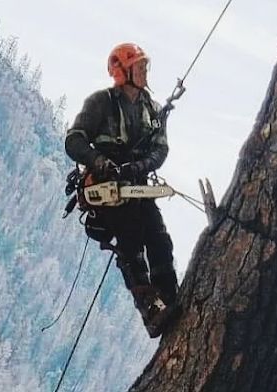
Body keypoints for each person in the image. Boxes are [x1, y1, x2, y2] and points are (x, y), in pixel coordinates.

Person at [64, 42, 178, 337]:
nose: (144, 71)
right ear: (122, 71)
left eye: (144, 66)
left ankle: (170, 297)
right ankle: (151, 309)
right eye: (139, 66)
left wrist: (138, 168)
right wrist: (99, 161)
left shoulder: (151, 110)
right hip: (107, 190)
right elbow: (74, 141)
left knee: (160, 240)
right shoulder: (100, 103)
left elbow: (160, 150)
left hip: (136, 187)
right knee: (131, 245)